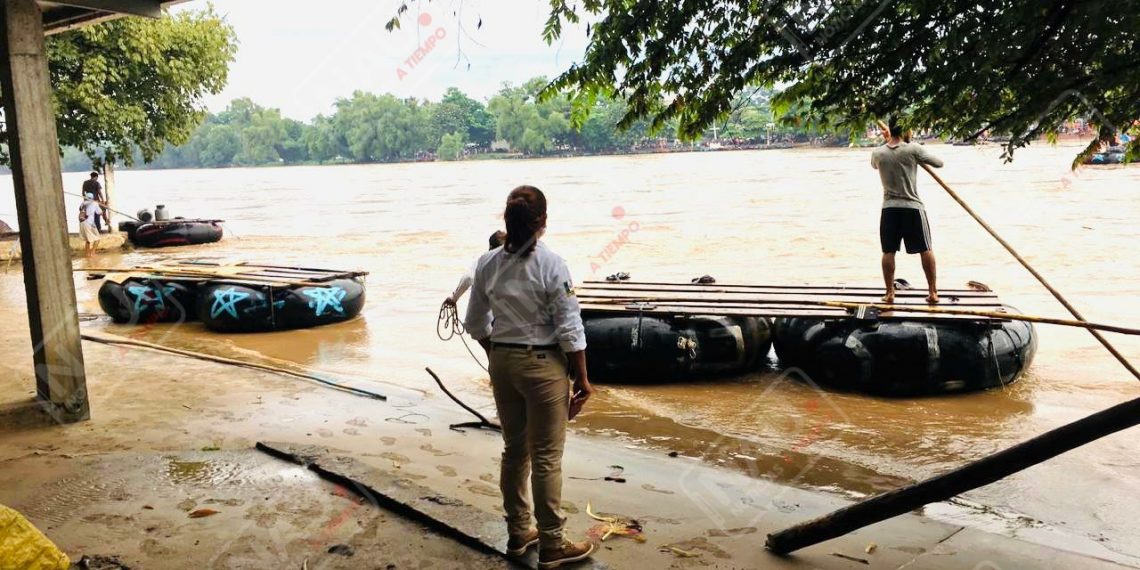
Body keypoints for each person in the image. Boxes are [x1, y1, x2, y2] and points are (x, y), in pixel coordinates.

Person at [464, 185, 596, 568]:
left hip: (503, 363)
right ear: (542, 223)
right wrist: (583, 379)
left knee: (514, 450)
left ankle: (519, 532)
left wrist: (498, 353)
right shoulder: (552, 264)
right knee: (546, 457)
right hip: (542, 366)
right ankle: (552, 543)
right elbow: (570, 327)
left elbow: (475, 322)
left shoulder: (487, 263)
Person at [871, 121, 944, 304]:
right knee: (925, 249)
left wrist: (888, 143)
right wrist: (914, 153)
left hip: (889, 208)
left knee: (888, 251)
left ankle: (889, 293)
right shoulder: (913, 150)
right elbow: (939, 163)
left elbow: (875, 165)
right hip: (912, 208)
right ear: (905, 130)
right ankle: (933, 293)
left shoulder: (878, 153)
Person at [443, 230, 506, 307]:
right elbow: (468, 278)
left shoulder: (483, 261)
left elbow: (468, 278)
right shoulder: (506, 264)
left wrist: (454, 298)